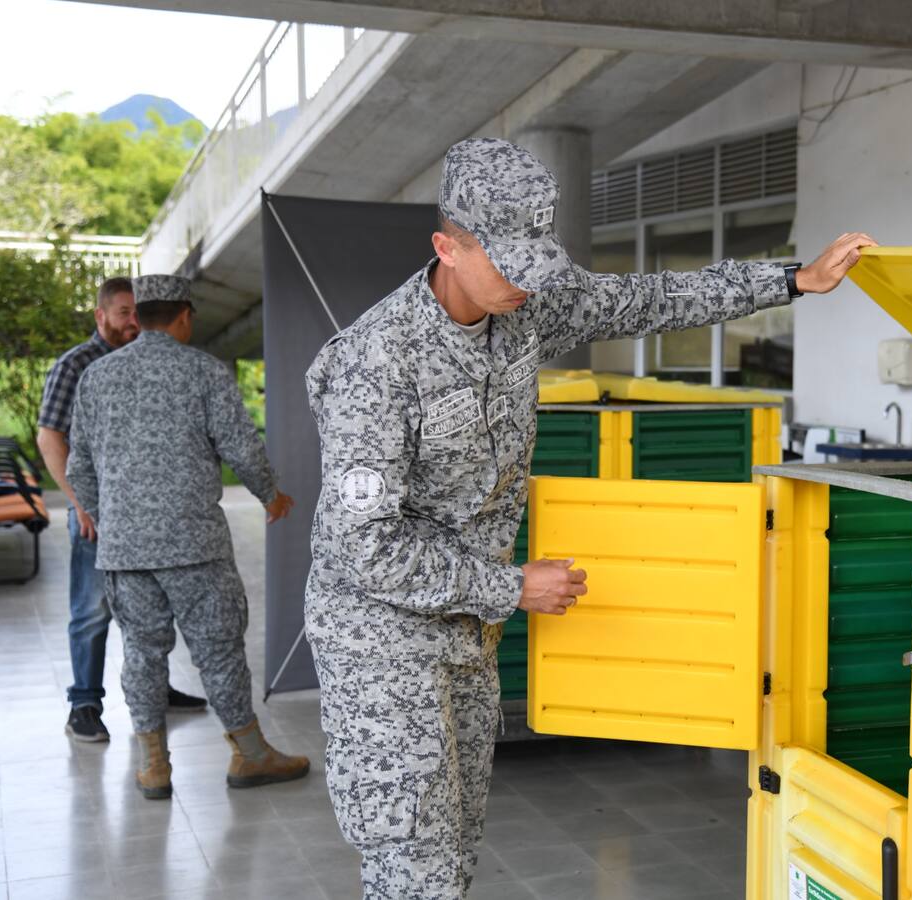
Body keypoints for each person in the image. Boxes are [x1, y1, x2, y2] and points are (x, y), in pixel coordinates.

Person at [305, 138, 877, 899]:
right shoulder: (375, 364)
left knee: (455, 846)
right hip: (379, 635)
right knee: (414, 861)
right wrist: (512, 587)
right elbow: (365, 549)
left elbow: (651, 300)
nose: (527, 281)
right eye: (507, 264)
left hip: (466, 628)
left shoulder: (525, 303)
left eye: (536, 261)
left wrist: (793, 280)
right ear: (447, 248)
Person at [66, 274, 309, 799]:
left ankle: (154, 766)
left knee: (141, 652)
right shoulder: (203, 371)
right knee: (219, 650)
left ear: (138, 317)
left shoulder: (96, 377)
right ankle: (250, 755)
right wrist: (271, 496)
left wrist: (115, 521)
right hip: (195, 546)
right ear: (184, 316)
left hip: (125, 552)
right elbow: (240, 446)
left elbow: (78, 467)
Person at [37, 276, 206, 743]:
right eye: (124, 312)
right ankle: (84, 705)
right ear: (100, 315)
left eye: (138, 312)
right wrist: (81, 503)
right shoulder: (76, 366)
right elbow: (50, 438)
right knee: (92, 612)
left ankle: (155, 690)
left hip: (150, 516)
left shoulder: (154, 361)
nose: (134, 321)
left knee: (149, 609)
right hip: (97, 516)